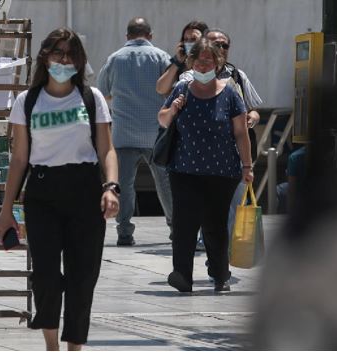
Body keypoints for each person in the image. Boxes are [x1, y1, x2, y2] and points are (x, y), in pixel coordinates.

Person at [0, 28, 119, 350]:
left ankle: (74, 345)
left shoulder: (91, 99)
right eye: (58, 53)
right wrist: (6, 210)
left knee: (82, 276)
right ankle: (51, 344)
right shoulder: (28, 101)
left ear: (79, 61)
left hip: (85, 191)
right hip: (42, 193)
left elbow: (107, 149)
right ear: (45, 57)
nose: (64, 60)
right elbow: (20, 158)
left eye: (71, 54)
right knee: (46, 276)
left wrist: (111, 187)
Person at [158, 38, 253, 293]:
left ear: (217, 63)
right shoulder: (181, 89)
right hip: (184, 169)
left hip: (221, 171)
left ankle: (220, 274)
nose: (203, 66)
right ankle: (182, 275)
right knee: (184, 224)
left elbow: (241, 133)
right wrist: (174, 109)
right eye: (199, 62)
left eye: (208, 62)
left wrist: (247, 166)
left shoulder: (230, 93)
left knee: (215, 225)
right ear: (192, 63)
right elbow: (163, 119)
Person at [179, 28, 263, 251]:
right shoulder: (188, 78)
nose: (220, 49)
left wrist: (250, 120)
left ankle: (221, 255)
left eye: (224, 45)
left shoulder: (237, 76)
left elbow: (253, 110)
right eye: (215, 44)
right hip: (199, 157)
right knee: (205, 208)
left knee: (232, 207)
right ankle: (210, 244)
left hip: (234, 154)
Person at [97, 17, 173, 246]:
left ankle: (124, 232)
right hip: (156, 133)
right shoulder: (161, 57)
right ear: (150, 35)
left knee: (124, 185)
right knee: (165, 184)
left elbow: (103, 92)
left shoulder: (114, 59)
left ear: (127, 36)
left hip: (124, 134)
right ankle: (176, 227)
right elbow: (170, 89)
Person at [155, 20, 208, 95]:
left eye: (193, 39)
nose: (189, 43)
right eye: (186, 39)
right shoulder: (181, 63)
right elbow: (161, 89)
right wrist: (177, 62)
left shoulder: (212, 62)